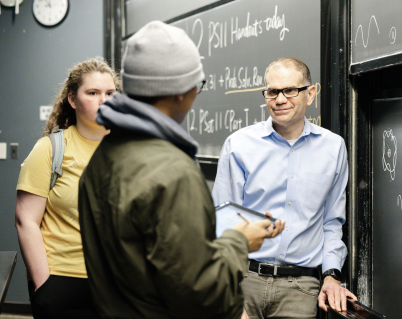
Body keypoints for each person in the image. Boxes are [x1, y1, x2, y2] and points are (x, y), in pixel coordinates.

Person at [78, 21, 285, 319]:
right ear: (179, 92)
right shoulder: (173, 172)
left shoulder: (102, 157)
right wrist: (240, 241)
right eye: (197, 86)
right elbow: (203, 296)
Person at [212, 57, 357, 319]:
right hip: (244, 281)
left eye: (290, 90)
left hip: (300, 289)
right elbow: (222, 224)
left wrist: (332, 276)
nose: (280, 99)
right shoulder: (239, 145)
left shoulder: (333, 148)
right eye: (272, 91)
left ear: (310, 93)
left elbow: (332, 222)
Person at [15, 58, 120, 319]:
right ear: (73, 100)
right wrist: (44, 285)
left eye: (110, 93)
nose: (103, 101)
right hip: (62, 279)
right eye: (93, 93)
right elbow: (25, 219)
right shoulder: (51, 149)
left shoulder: (129, 149)